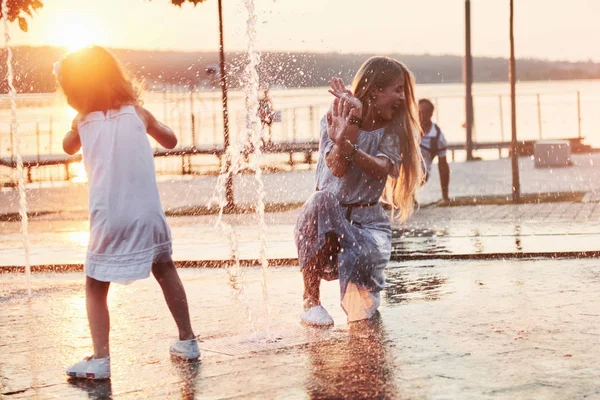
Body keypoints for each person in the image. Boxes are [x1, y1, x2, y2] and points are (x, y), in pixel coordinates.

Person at [55, 46, 200, 380]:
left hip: (111, 215)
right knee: (165, 270)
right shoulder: (138, 113)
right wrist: (152, 122)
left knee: (95, 284)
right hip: (148, 213)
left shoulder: (82, 121)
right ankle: (187, 339)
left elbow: (67, 146)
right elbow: (171, 140)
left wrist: (75, 124)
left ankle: (100, 358)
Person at [294, 56, 424, 326]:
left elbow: (380, 169)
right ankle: (310, 300)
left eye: (403, 90)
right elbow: (337, 168)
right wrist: (349, 126)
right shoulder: (337, 116)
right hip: (327, 220)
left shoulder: (392, 130)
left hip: (367, 226)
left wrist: (350, 147)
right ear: (375, 90)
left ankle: (359, 287)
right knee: (321, 200)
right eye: (397, 89)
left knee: (362, 316)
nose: (402, 97)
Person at [418, 98, 450, 202]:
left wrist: (445, 196)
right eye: (417, 112)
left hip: (421, 173)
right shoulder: (409, 129)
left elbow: (443, 166)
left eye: (423, 113)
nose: (419, 116)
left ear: (430, 114)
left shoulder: (437, 137)